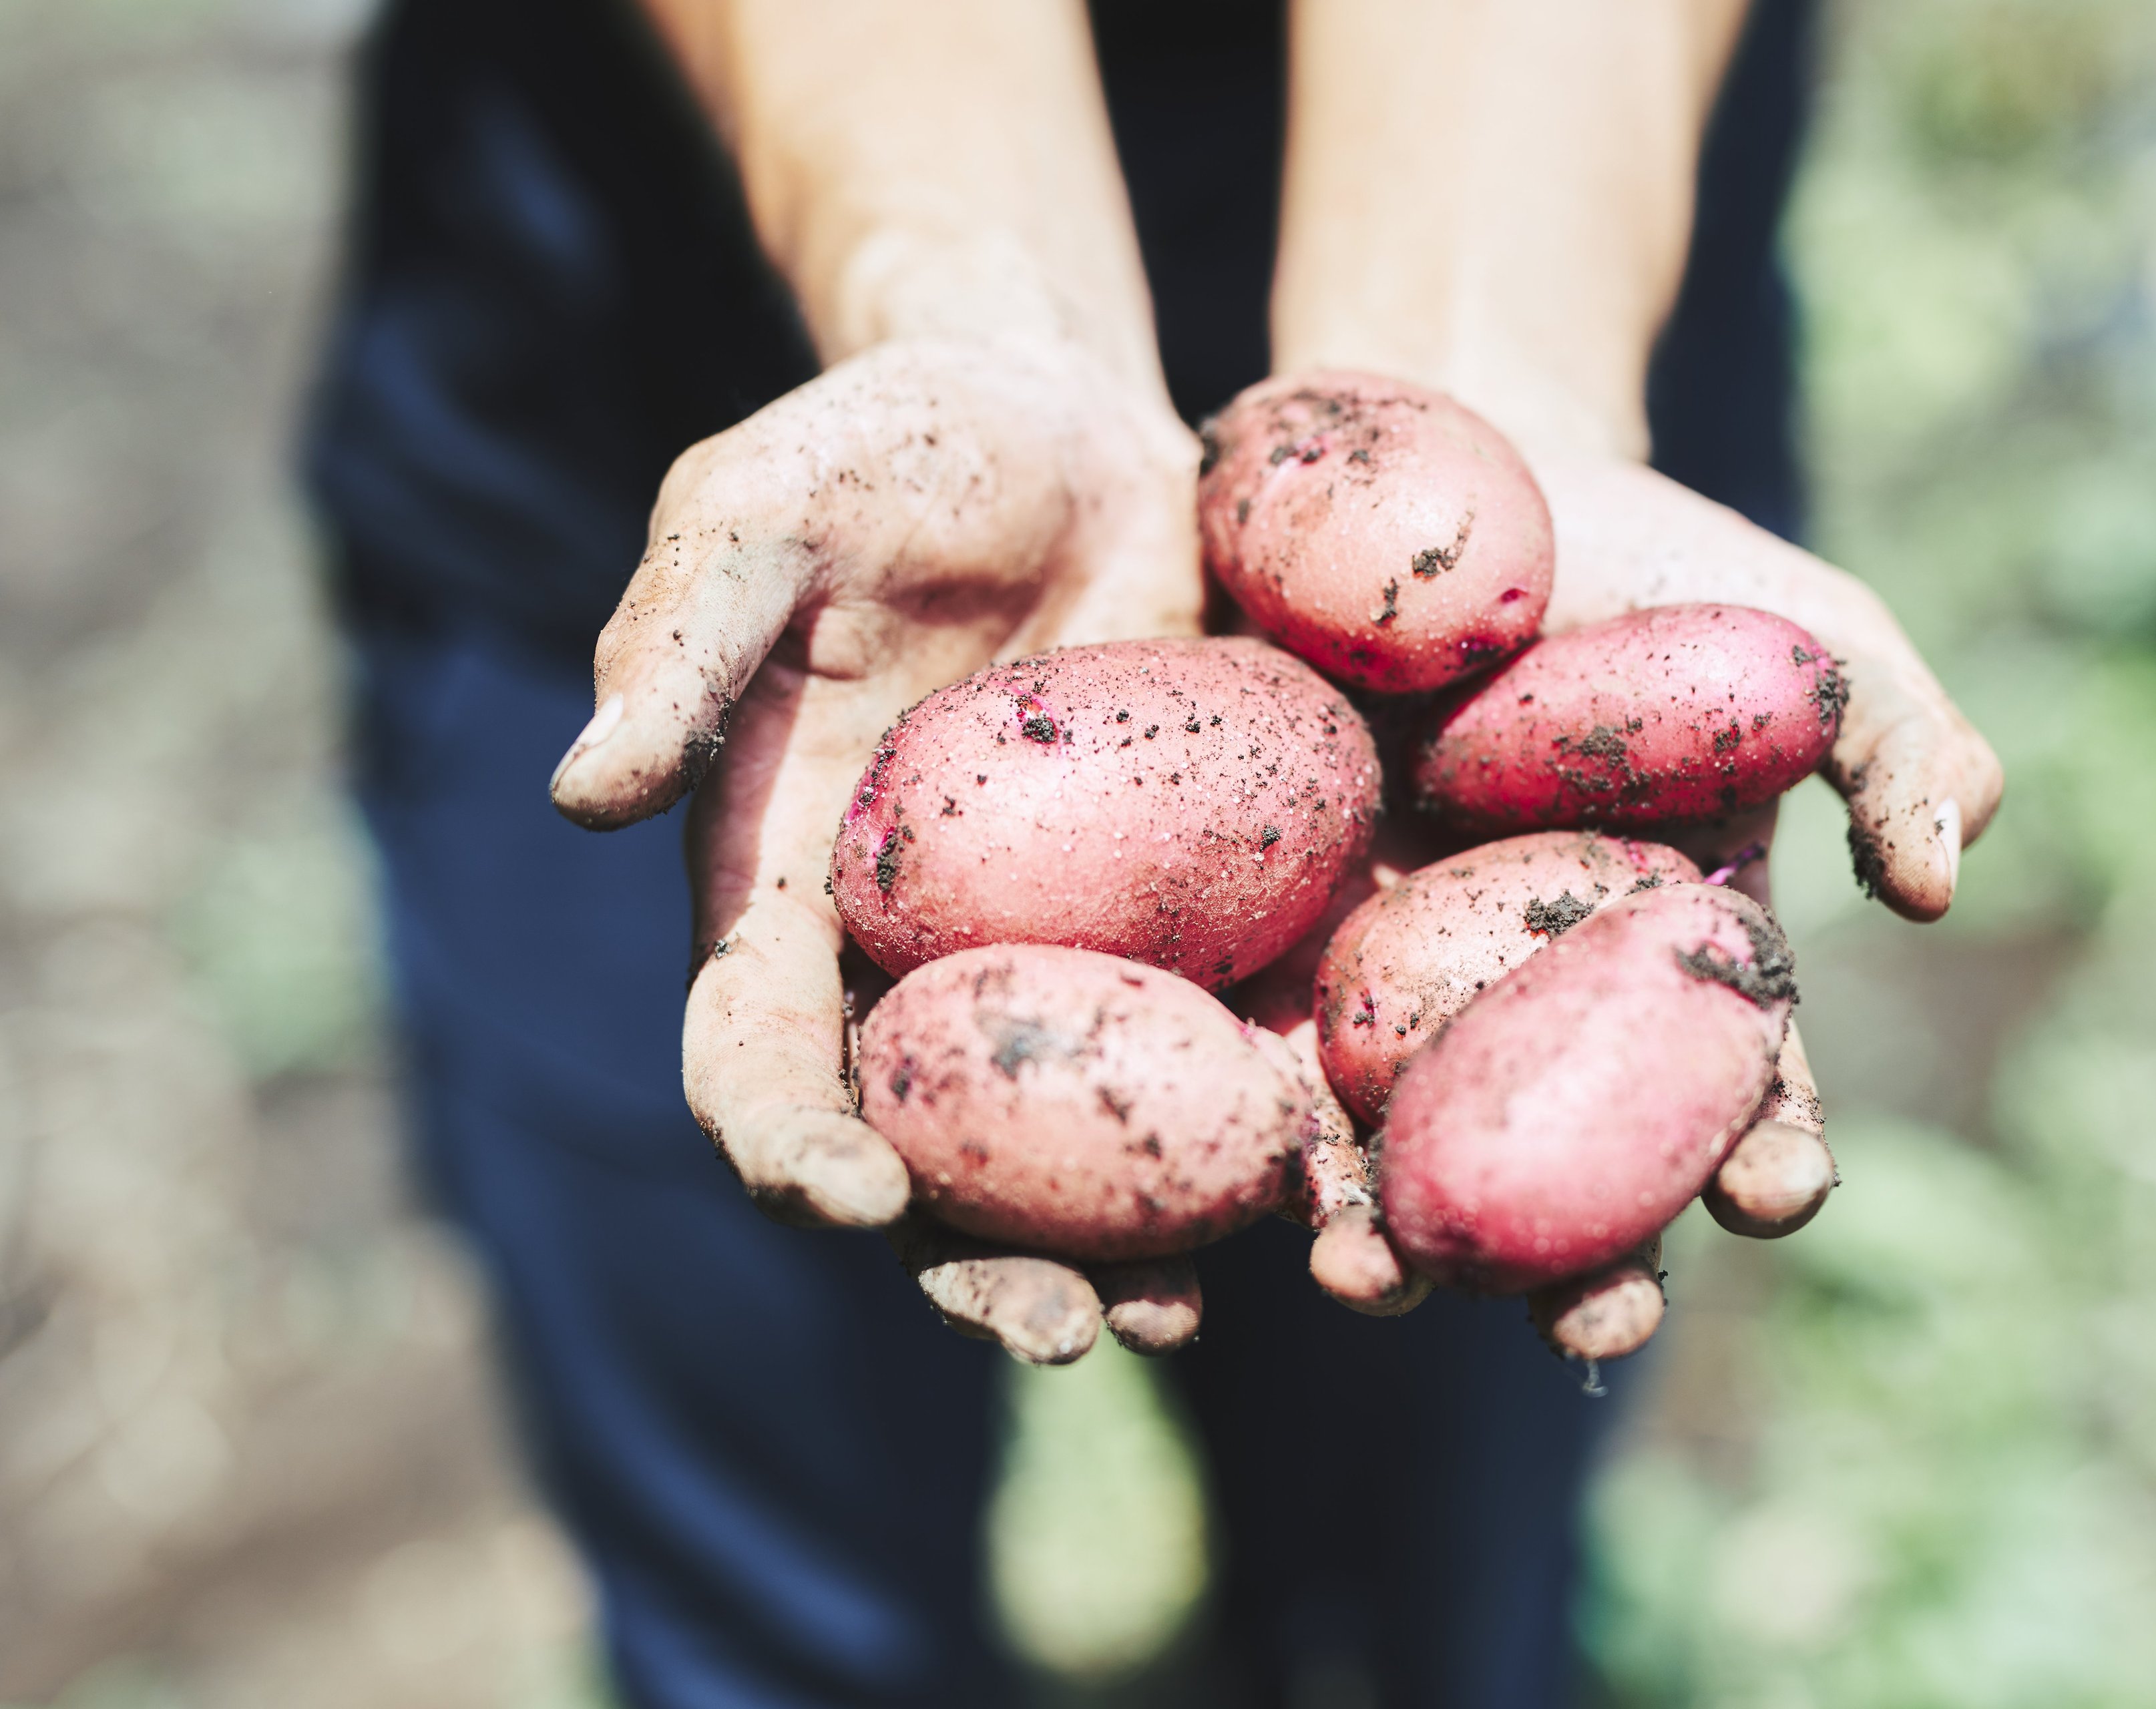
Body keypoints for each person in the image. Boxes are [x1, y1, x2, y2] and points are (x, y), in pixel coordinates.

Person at [304, 1, 2002, 1704]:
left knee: (1413, 1589)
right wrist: (976, 301)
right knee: (775, 1588)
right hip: (680, 392)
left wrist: (1479, 360)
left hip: (1546, 207)